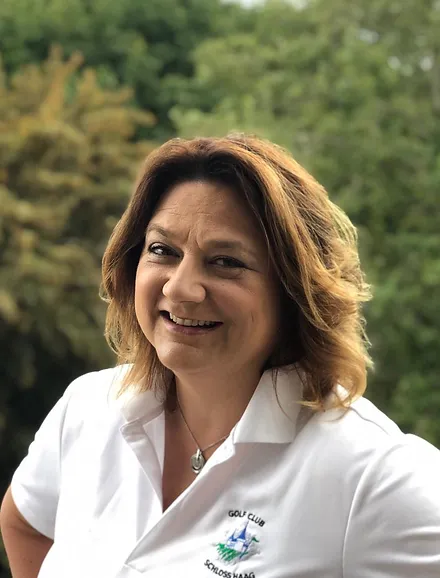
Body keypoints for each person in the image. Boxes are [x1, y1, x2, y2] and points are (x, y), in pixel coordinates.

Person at [1, 134, 440, 578]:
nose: (180, 287)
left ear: (294, 291)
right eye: (162, 251)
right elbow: (23, 524)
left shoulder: (372, 476)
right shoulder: (87, 409)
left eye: (226, 262)